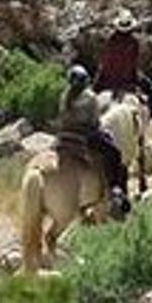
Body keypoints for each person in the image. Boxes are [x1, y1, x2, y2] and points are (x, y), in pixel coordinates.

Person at [58, 65, 129, 218]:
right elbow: (95, 122)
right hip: (86, 137)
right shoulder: (90, 96)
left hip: (65, 136)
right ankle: (115, 191)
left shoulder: (64, 96)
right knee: (114, 153)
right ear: (85, 82)